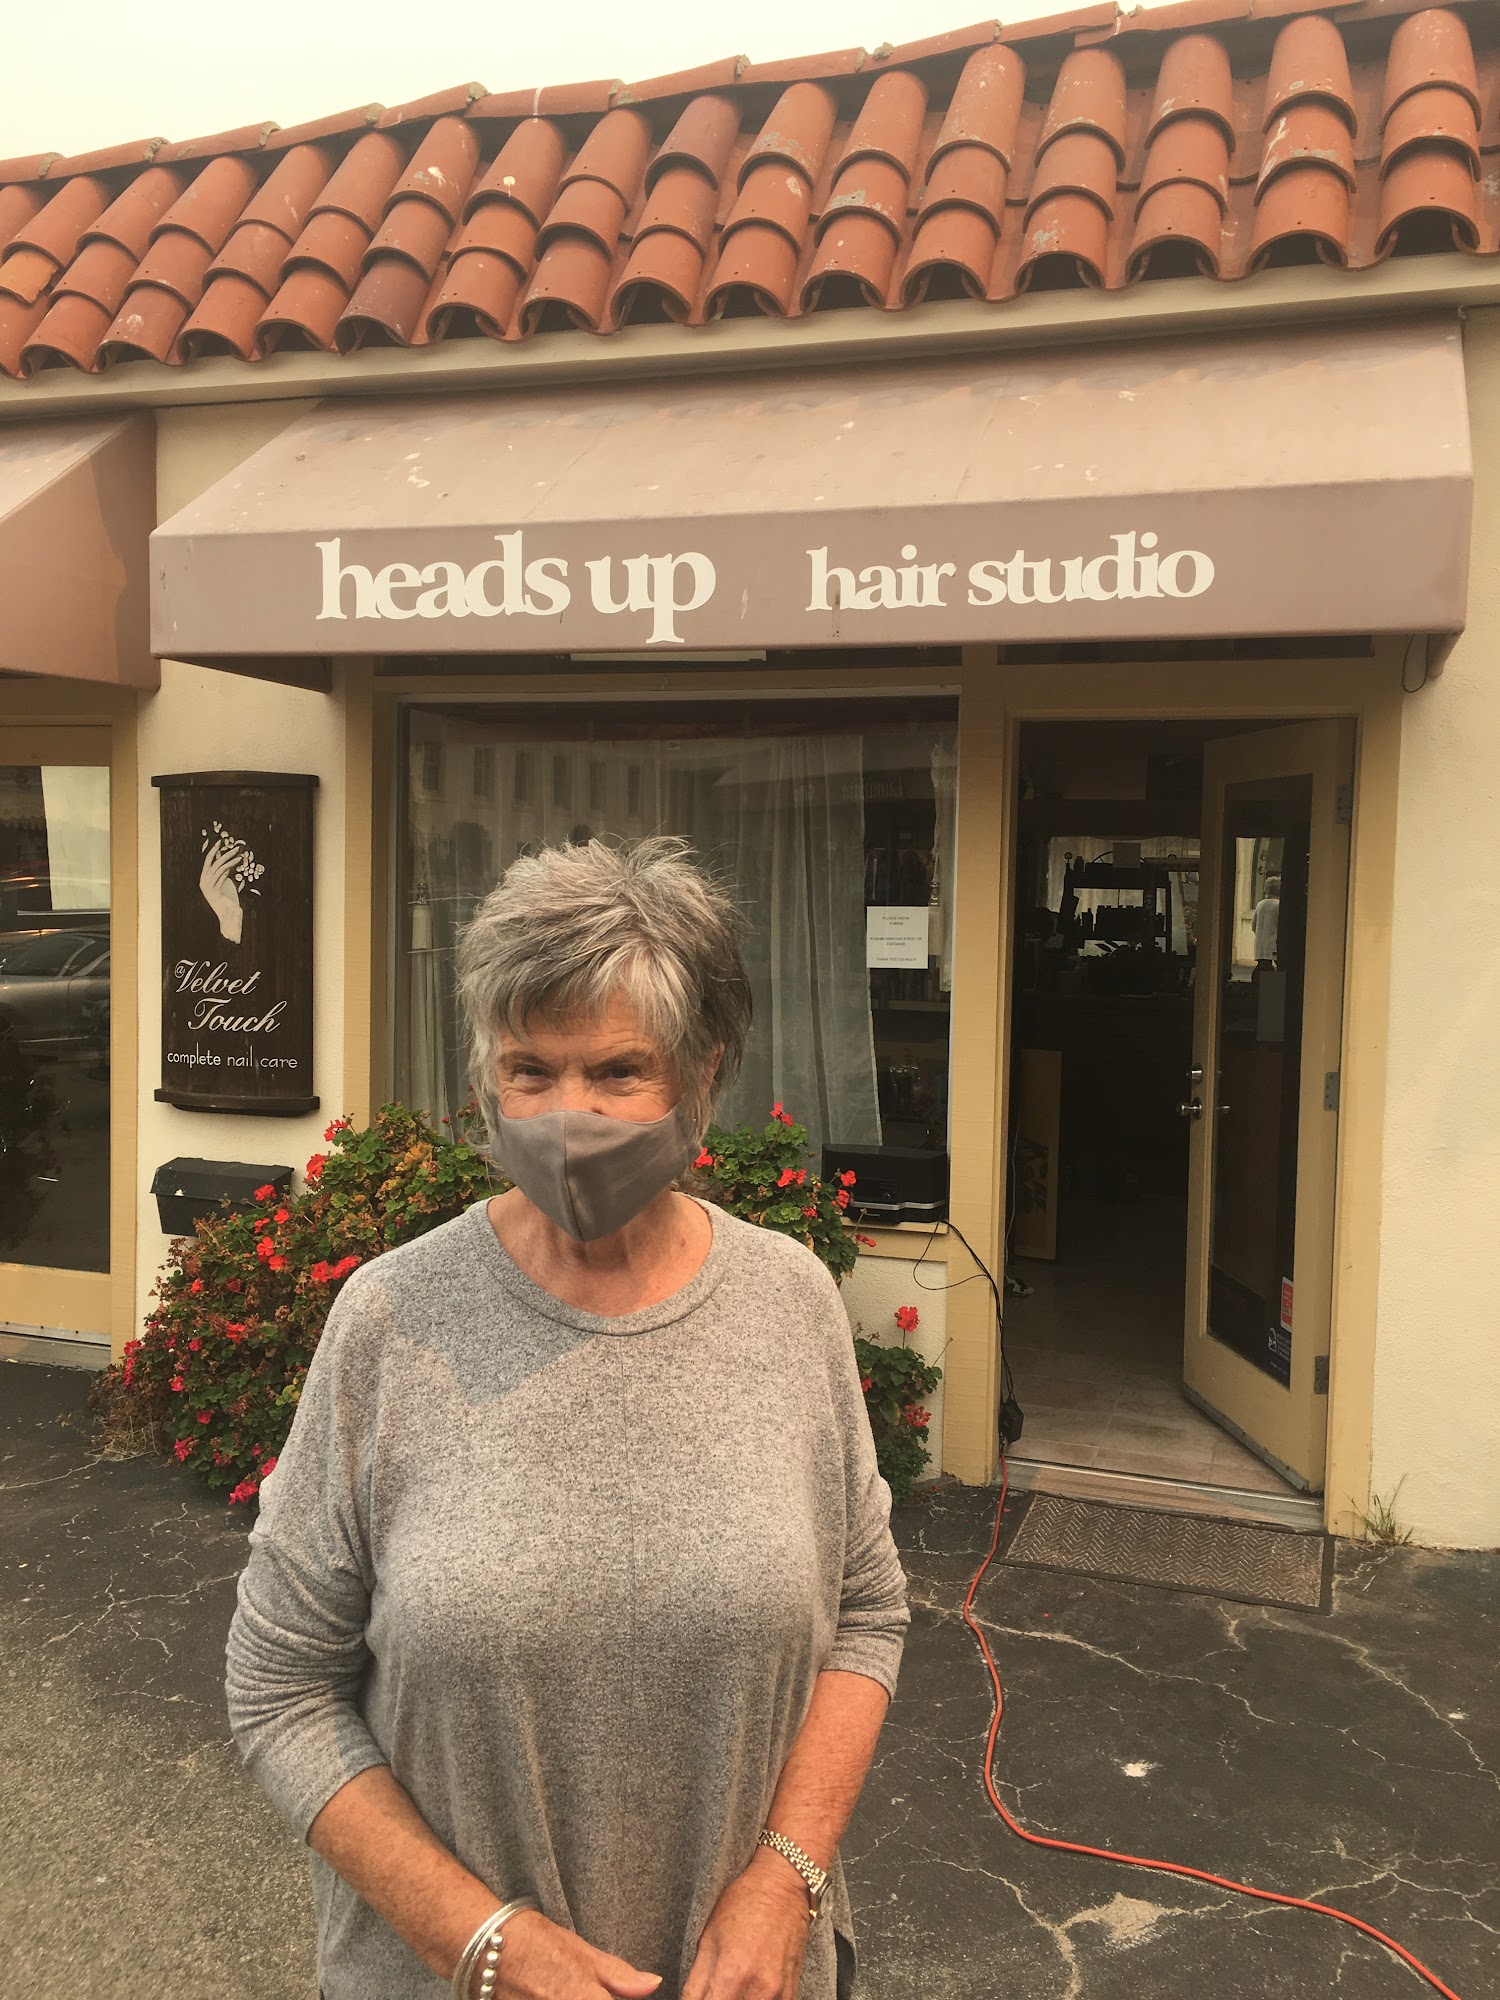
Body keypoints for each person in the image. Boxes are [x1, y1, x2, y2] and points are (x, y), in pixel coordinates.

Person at [224, 835, 910, 2000]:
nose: (567, 1115)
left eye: (618, 1070)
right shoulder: (392, 1319)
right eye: (530, 1069)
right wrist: (476, 1940)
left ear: (702, 1073)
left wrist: (785, 1876)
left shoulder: (790, 1303)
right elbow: (278, 1684)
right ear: (485, 1079)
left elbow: (867, 1614)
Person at [1252, 874, 1281, 968]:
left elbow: (1254, 925)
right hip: (1273, 945)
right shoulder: (1278, 906)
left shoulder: (1260, 905)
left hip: (1260, 946)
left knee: (1262, 968)